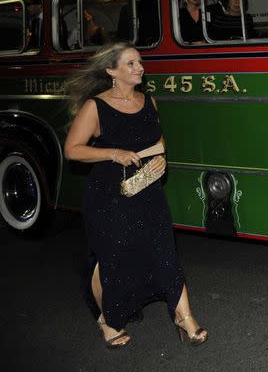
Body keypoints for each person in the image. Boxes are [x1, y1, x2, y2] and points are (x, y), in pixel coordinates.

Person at [63, 42, 208, 348]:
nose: (139, 67)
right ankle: (108, 320)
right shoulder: (96, 106)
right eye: (130, 64)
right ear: (111, 71)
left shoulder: (148, 101)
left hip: (147, 191)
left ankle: (184, 317)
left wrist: (160, 159)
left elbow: (159, 142)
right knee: (113, 259)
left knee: (166, 253)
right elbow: (73, 150)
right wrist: (113, 153)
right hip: (109, 197)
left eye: (139, 62)